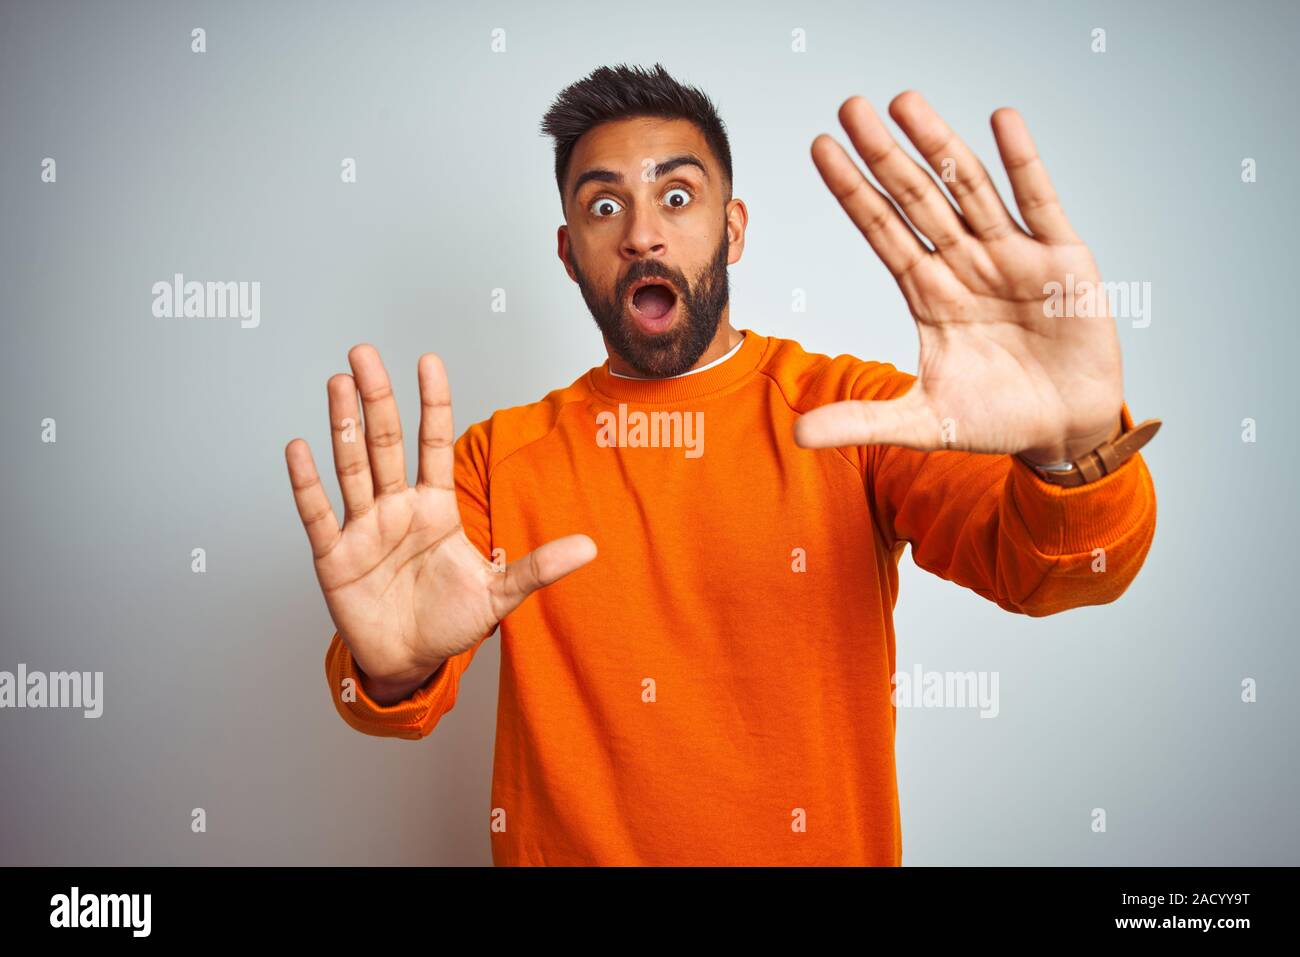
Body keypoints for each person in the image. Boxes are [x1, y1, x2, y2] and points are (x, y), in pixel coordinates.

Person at [283, 63, 1159, 865]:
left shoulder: (858, 412)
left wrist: (1071, 452)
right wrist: (391, 669)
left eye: (676, 196)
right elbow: (391, 692)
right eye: (602, 206)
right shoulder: (494, 461)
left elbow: (1054, 573)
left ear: (732, 228)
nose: (640, 235)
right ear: (566, 254)